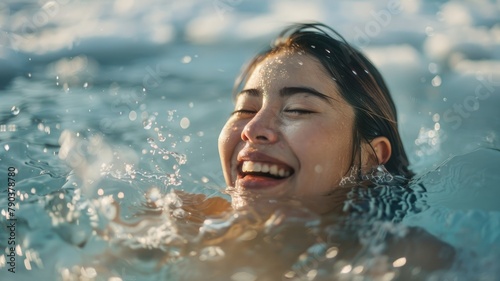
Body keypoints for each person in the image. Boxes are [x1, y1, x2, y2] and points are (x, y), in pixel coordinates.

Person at [218, 22, 413, 214]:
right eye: (245, 110)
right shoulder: (190, 223)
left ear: (370, 158)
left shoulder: (412, 247)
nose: (252, 130)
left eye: (297, 109)